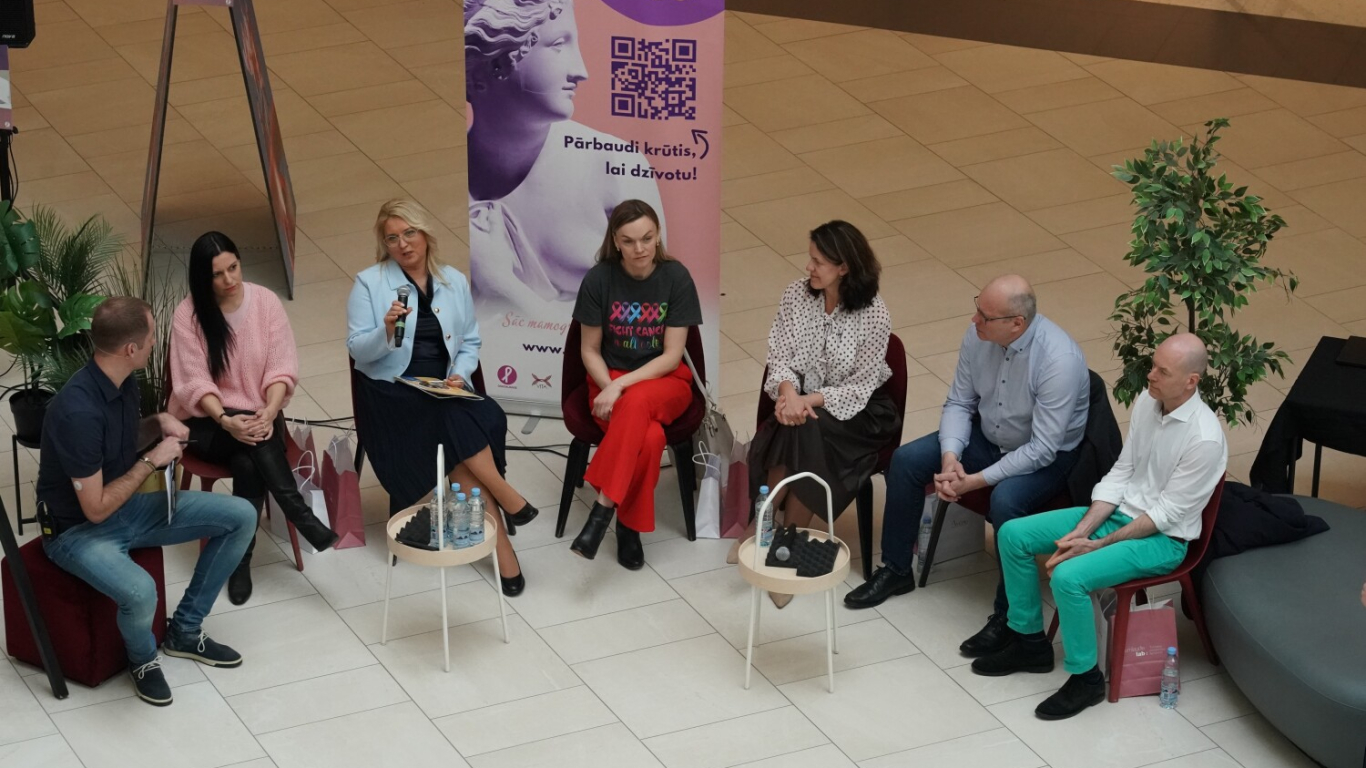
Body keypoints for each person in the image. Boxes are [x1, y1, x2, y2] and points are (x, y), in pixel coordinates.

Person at [972, 333, 1227, 720]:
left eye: (1162, 371)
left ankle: (1086, 678)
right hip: (1119, 513)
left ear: (1191, 381)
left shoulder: (1204, 439)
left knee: (1068, 576)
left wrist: (1097, 544)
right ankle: (1028, 641)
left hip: (1163, 539)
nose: (1150, 375)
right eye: (1153, 365)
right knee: (1012, 535)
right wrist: (1084, 529)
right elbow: (1122, 472)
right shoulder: (1148, 401)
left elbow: (1166, 515)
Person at [35, 297, 257, 707]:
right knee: (140, 591)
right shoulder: (77, 413)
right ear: (130, 349)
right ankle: (142, 662)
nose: (156, 342)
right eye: (152, 336)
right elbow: (95, 509)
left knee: (241, 515)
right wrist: (153, 460)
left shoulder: (122, 380)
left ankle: (184, 631)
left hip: (126, 506)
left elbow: (118, 442)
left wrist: (155, 424)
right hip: (76, 531)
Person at [845, 276, 1089, 641]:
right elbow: (960, 403)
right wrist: (950, 458)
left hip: (1045, 459)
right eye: (978, 308)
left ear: (1017, 323)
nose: (974, 320)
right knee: (907, 461)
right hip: (988, 436)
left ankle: (1009, 616)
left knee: (1006, 501)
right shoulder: (978, 336)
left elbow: (1042, 449)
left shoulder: (1059, 360)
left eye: (985, 316)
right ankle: (896, 569)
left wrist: (974, 481)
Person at [346, 199, 534, 596]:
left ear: (425, 234)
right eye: (392, 238)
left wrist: (458, 375)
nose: (403, 244)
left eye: (409, 233)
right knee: (455, 427)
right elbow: (358, 351)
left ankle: (502, 533)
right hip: (390, 392)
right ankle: (506, 515)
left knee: (469, 418)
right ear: (384, 244)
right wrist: (386, 330)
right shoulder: (369, 283)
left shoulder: (453, 281)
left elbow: (470, 342)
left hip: (440, 387)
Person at [465, 0, 666, 316]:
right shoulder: (450, 178)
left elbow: (648, 314)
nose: (581, 71)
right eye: (558, 45)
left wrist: (501, 284)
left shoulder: (614, 166)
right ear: (490, 65)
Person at [169, 231, 339, 607]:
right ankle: (298, 513)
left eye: (233, 267)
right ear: (202, 278)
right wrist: (225, 420)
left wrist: (271, 410)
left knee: (248, 463)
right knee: (252, 445)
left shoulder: (265, 303)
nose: (229, 279)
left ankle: (239, 561)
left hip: (261, 415)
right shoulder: (188, 315)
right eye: (217, 274)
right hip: (207, 422)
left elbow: (281, 368)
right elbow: (193, 382)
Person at [744, 221, 900, 608]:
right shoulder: (796, 295)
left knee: (804, 427)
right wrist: (787, 394)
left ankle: (774, 534)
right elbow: (778, 355)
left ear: (844, 267)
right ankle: (777, 538)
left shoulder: (874, 315)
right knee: (799, 425)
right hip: (802, 402)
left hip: (858, 412)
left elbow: (860, 386)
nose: (808, 267)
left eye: (818, 262)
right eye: (810, 258)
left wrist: (805, 401)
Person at [569, 199, 702, 569]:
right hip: (607, 380)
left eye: (647, 238)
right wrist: (609, 386)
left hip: (664, 381)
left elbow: (671, 356)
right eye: (628, 241)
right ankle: (629, 528)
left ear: (658, 235)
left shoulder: (676, 278)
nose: (639, 248)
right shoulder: (599, 280)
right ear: (615, 241)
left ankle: (603, 507)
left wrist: (621, 387)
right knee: (651, 438)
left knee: (638, 402)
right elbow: (589, 350)